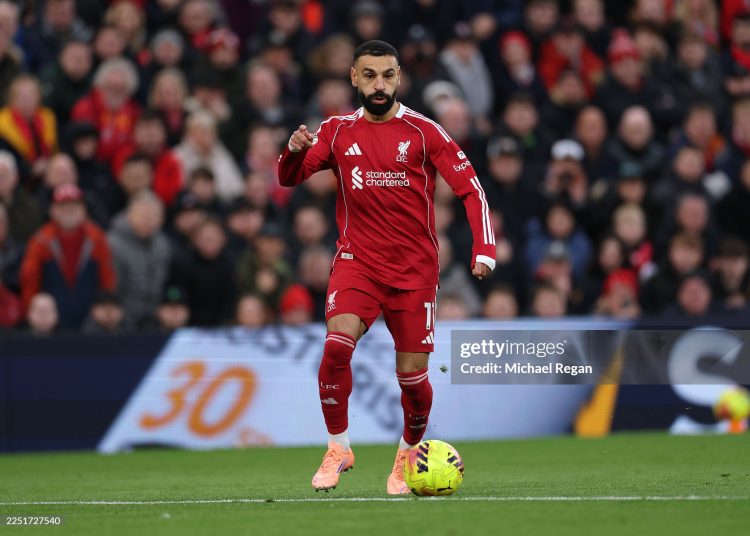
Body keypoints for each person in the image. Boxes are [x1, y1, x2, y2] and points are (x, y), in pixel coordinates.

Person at [278, 41, 496, 494]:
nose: (381, 85)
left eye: (389, 76)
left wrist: (484, 247)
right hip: (358, 262)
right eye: (371, 75)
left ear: (400, 79)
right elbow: (289, 177)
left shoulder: (423, 132)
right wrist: (294, 150)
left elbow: (471, 188)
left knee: (413, 381)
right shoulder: (337, 131)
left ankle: (406, 454)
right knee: (336, 347)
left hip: (415, 272)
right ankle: (339, 447)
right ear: (354, 78)